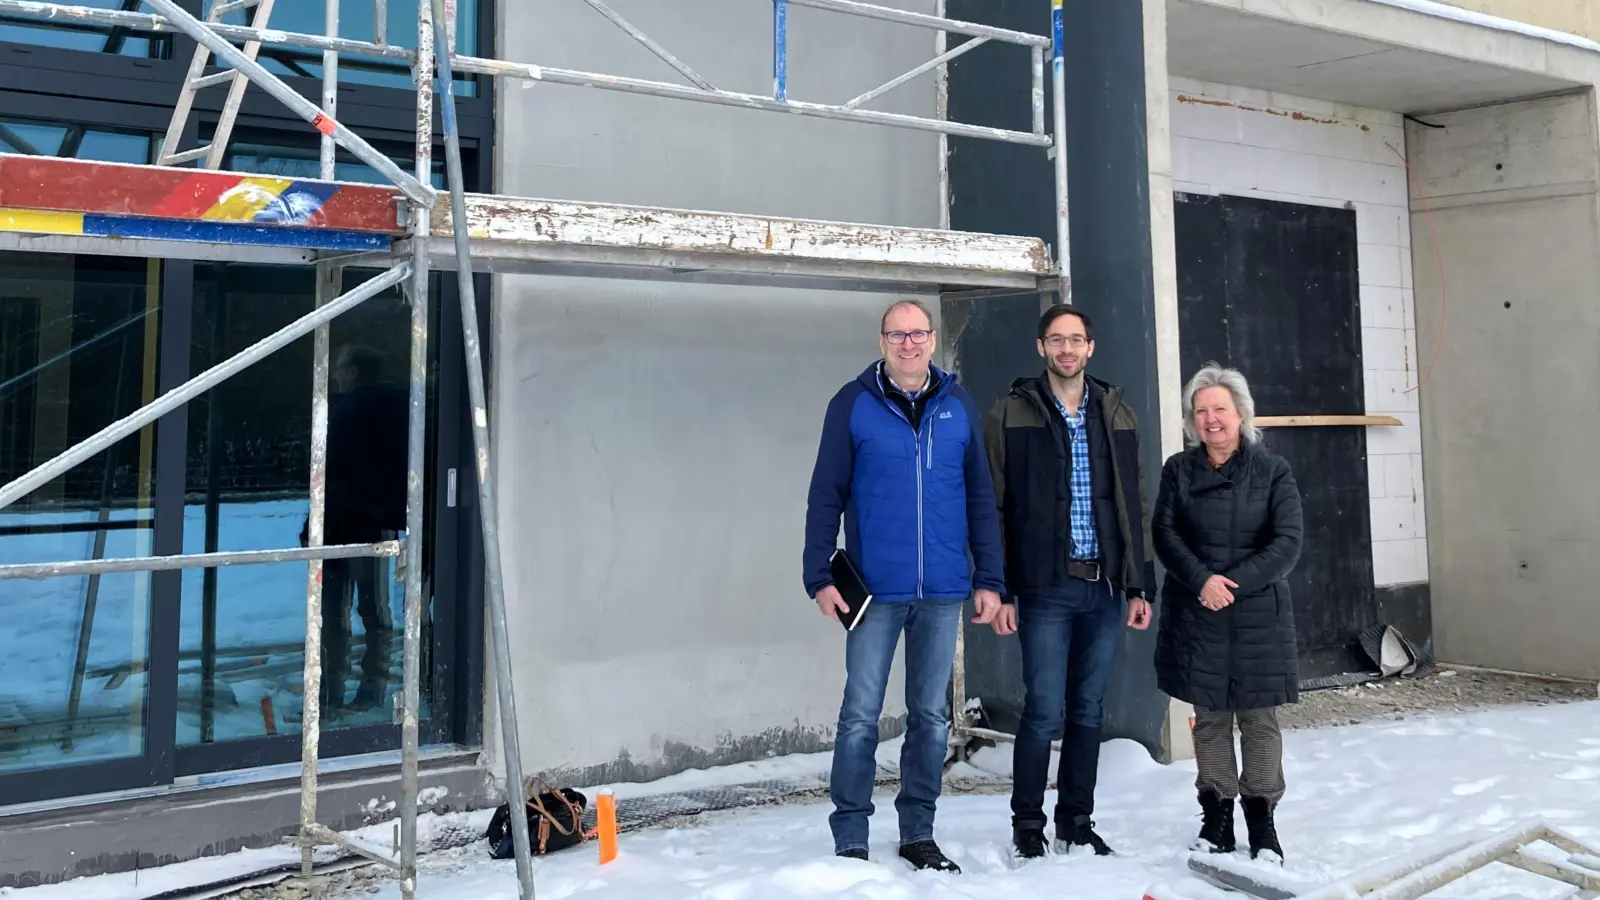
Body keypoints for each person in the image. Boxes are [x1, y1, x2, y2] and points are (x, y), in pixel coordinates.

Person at [803, 298, 1007, 873]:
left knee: (930, 718)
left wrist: (989, 578)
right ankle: (850, 833)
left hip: (942, 590)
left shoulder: (957, 404)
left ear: (933, 339)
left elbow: (980, 500)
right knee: (860, 715)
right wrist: (819, 574)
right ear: (882, 341)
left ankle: (918, 831)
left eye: (918, 334)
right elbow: (826, 495)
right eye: (898, 334)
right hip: (874, 592)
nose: (909, 344)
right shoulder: (852, 404)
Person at [980, 305, 1153, 859]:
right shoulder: (1010, 413)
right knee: (1044, 710)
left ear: (1090, 348)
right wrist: (999, 586)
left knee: (1088, 709)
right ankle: (1028, 825)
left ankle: (1077, 820)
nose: (1066, 349)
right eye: (1056, 340)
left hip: (1103, 588)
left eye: (1076, 340)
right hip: (1044, 588)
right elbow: (993, 508)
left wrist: (1138, 584)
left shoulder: (1116, 412)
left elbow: (1134, 503)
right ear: (1040, 348)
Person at [1151, 363, 1303, 863]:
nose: (1211, 420)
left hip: (1257, 616)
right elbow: (1165, 535)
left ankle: (1263, 826)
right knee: (1211, 720)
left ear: (1241, 414)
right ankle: (1216, 820)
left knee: (1259, 721)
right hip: (1198, 615)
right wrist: (1203, 581)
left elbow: (1287, 543)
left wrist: (1230, 584)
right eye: (1202, 411)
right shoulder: (1178, 470)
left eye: (1220, 409)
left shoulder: (1273, 471)